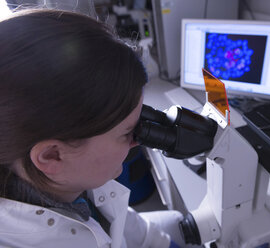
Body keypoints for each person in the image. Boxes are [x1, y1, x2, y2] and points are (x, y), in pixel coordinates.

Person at [0, 8, 185, 248]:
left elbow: (135, 231)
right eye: (126, 133)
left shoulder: (74, 177)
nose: (137, 140)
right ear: (52, 155)